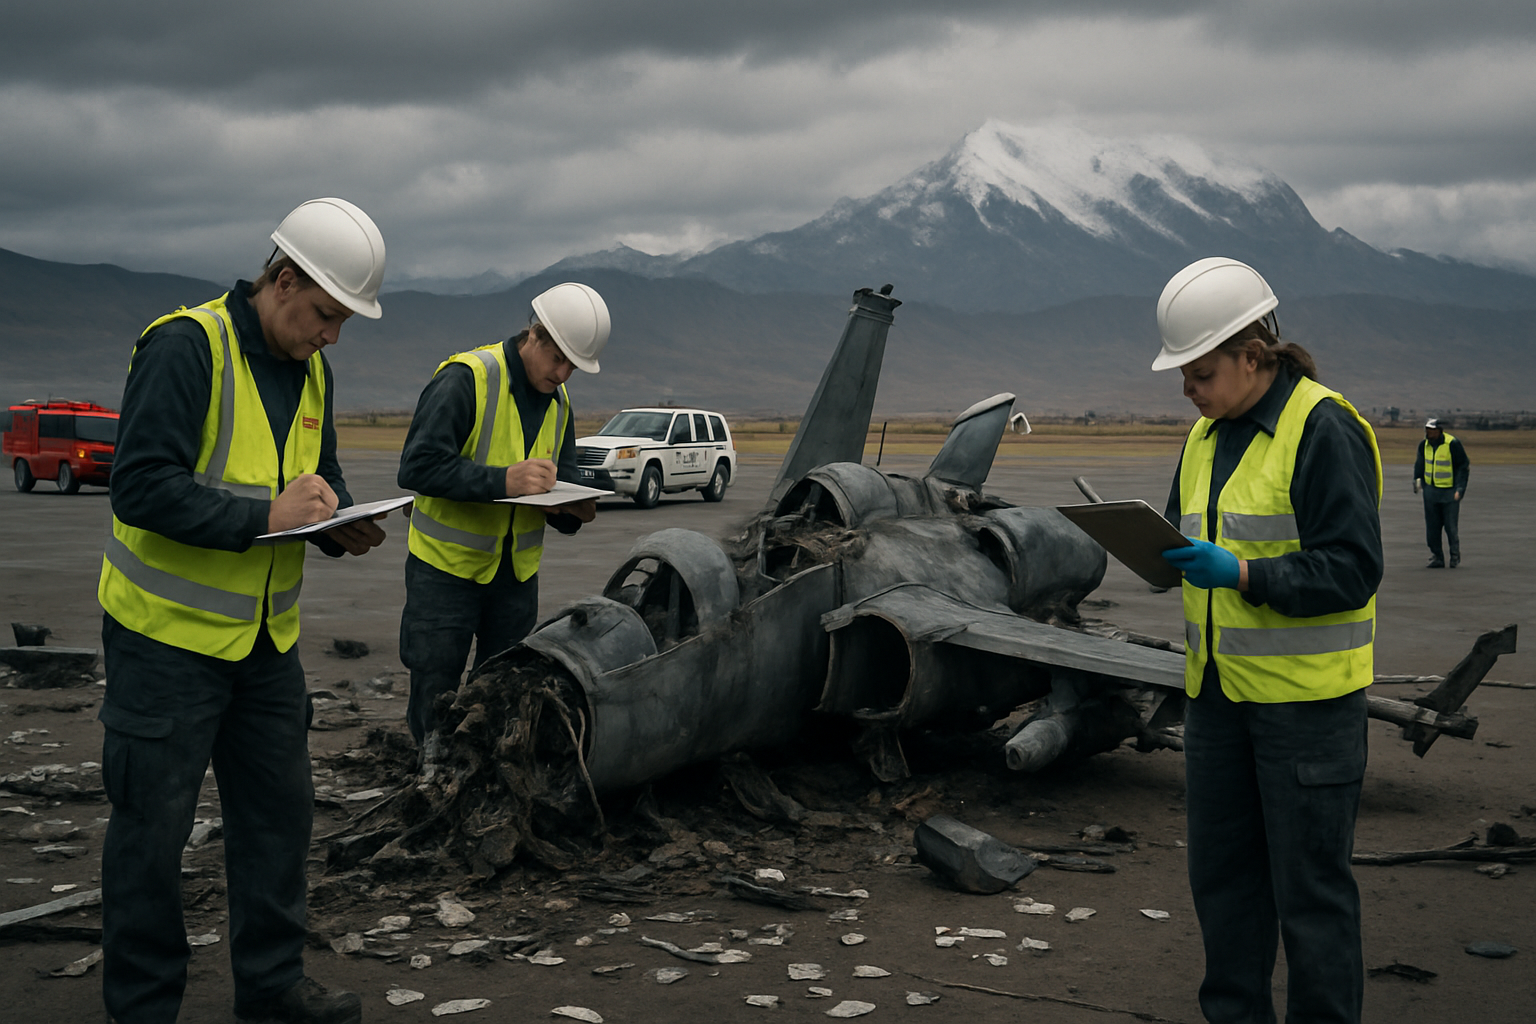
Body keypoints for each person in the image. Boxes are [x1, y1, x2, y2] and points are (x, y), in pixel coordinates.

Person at [97, 198, 391, 1024]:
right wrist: (266, 517)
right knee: (150, 841)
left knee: (277, 825)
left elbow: (315, 479)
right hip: (164, 645)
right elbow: (141, 485)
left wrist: (340, 525)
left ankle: (271, 991)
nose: (331, 335)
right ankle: (144, 1009)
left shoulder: (312, 371)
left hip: (264, 648)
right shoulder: (188, 347)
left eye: (343, 323)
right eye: (325, 314)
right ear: (283, 278)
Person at [1152, 257, 1383, 1024]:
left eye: (1202, 372)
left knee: (1310, 896)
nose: (1190, 390)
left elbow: (1352, 570)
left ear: (1252, 356)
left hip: (1307, 711)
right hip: (1217, 701)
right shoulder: (1202, 436)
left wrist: (1244, 574)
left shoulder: (1322, 427)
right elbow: (1182, 538)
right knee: (1223, 886)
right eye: (1183, 375)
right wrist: (1156, 557)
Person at [397, 282, 609, 753]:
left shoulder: (559, 400)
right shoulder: (466, 378)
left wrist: (572, 510)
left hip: (514, 579)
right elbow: (417, 465)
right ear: (535, 334)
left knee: (500, 695)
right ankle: (429, 783)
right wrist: (502, 482)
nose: (565, 373)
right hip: (445, 572)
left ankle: (480, 784)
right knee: (437, 695)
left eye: (575, 365)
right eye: (559, 359)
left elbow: (563, 478)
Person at [1413, 417, 1469, 567]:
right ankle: (1437, 556)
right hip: (1431, 492)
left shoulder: (1452, 444)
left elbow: (1463, 467)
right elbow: (1420, 464)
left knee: (1450, 527)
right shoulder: (1424, 445)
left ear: (1439, 431)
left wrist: (1460, 489)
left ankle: (1454, 556)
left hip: (1449, 493)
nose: (1428, 433)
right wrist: (1417, 480)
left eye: (1431, 430)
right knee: (1432, 527)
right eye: (1427, 430)